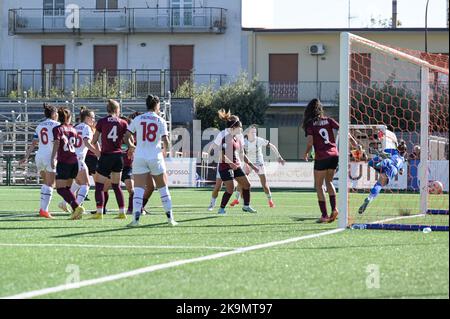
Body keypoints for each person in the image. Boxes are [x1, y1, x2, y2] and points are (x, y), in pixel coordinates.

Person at [125, 95, 177, 227]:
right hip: (155, 156)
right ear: (156, 106)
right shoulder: (160, 120)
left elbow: (127, 136)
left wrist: (131, 146)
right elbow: (166, 140)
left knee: (138, 189)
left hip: (140, 156)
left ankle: (135, 220)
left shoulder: (138, 118)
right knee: (163, 189)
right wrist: (166, 151)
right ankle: (170, 219)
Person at [303, 98, 357, 223]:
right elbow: (344, 130)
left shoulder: (311, 124)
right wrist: (354, 143)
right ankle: (334, 209)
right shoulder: (329, 120)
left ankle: (324, 215)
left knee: (319, 186)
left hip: (321, 156)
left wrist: (305, 153)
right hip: (334, 155)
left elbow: (310, 142)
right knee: (329, 182)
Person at [214, 109, 259, 214]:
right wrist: (230, 163)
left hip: (236, 166)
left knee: (247, 185)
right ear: (233, 127)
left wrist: (253, 166)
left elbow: (242, 155)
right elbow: (221, 155)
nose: (241, 128)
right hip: (225, 167)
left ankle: (246, 206)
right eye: (240, 127)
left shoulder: (237, 139)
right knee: (230, 189)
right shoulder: (226, 138)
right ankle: (221, 209)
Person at [20, 104, 60, 219]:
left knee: (46, 184)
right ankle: (44, 210)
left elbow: (34, 143)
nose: (57, 115)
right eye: (56, 113)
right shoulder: (57, 125)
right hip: (50, 156)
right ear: (53, 114)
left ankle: (42, 208)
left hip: (39, 156)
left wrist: (26, 156)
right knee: (50, 184)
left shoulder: (39, 126)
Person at [231, 124, 286, 208]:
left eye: (255, 132)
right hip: (248, 164)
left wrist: (279, 157)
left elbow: (272, 146)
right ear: (248, 133)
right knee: (241, 181)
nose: (254, 134)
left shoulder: (259, 140)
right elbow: (239, 152)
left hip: (259, 163)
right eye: (252, 132)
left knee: (264, 183)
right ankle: (236, 199)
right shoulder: (244, 141)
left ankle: (270, 200)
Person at [91, 99, 129, 220]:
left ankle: (99, 212)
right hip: (118, 156)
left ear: (108, 110)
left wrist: (98, 151)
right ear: (116, 110)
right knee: (116, 186)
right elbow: (128, 140)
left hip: (106, 156)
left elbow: (94, 140)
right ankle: (122, 212)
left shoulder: (102, 121)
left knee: (99, 185)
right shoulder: (123, 122)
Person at [59, 107, 99, 212]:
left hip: (70, 158)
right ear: (87, 118)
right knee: (86, 184)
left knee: (77, 182)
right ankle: (77, 207)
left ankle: (64, 202)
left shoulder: (74, 127)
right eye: (92, 118)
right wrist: (98, 153)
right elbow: (86, 142)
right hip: (79, 159)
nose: (94, 120)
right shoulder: (87, 128)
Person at [50, 107, 85, 220]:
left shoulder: (57, 129)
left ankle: (76, 208)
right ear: (69, 117)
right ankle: (76, 212)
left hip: (64, 162)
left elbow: (57, 143)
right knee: (68, 188)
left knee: (60, 189)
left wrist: (52, 158)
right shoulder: (73, 129)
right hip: (74, 161)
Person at [358, 140, 407, 214]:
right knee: (379, 185)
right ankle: (369, 198)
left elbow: (383, 152)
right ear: (405, 152)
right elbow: (401, 172)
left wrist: (378, 152)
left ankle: (379, 164)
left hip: (388, 162)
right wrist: (401, 170)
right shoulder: (402, 160)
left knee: (379, 159)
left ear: (397, 148)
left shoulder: (393, 151)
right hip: (393, 169)